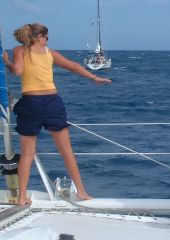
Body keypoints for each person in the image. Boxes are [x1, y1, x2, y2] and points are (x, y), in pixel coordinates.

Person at [2, 23, 112, 205]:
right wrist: (95, 78)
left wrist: (7, 62)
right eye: (46, 37)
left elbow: (18, 71)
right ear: (39, 37)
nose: (47, 40)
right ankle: (82, 192)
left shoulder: (19, 50)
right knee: (66, 151)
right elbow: (74, 67)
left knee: (28, 153)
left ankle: (22, 197)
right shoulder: (49, 53)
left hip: (31, 104)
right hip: (52, 103)